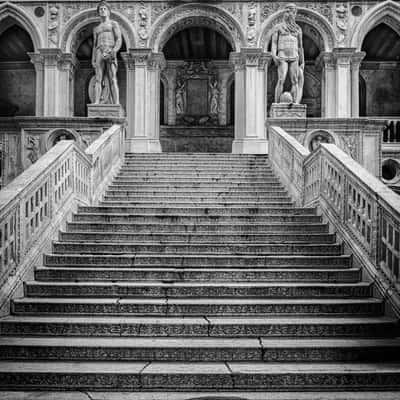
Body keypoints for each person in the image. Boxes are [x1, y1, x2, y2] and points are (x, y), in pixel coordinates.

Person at [271, 3, 304, 104]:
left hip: (294, 56)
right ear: (284, 13)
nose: (291, 14)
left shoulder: (298, 29)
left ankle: (295, 103)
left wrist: (303, 61)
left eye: (293, 12)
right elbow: (274, 43)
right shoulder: (278, 27)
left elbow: (300, 46)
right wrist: (273, 55)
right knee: (281, 79)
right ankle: (276, 103)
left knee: (295, 80)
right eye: (288, 11)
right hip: (282, 56)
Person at [92, 1, 122, 104]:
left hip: (110, 49)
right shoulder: (96, 28)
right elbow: (95, 45)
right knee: (98, 79)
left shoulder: (113, 24)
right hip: (99, 51)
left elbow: (118, 39)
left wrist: (114, 50)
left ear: (109, 11)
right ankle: (96, 102)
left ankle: (116, 102)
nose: (102, 11)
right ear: (98, 12)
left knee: (112, 78)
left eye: (105, 9)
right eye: (101, 9)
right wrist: (93, 59)